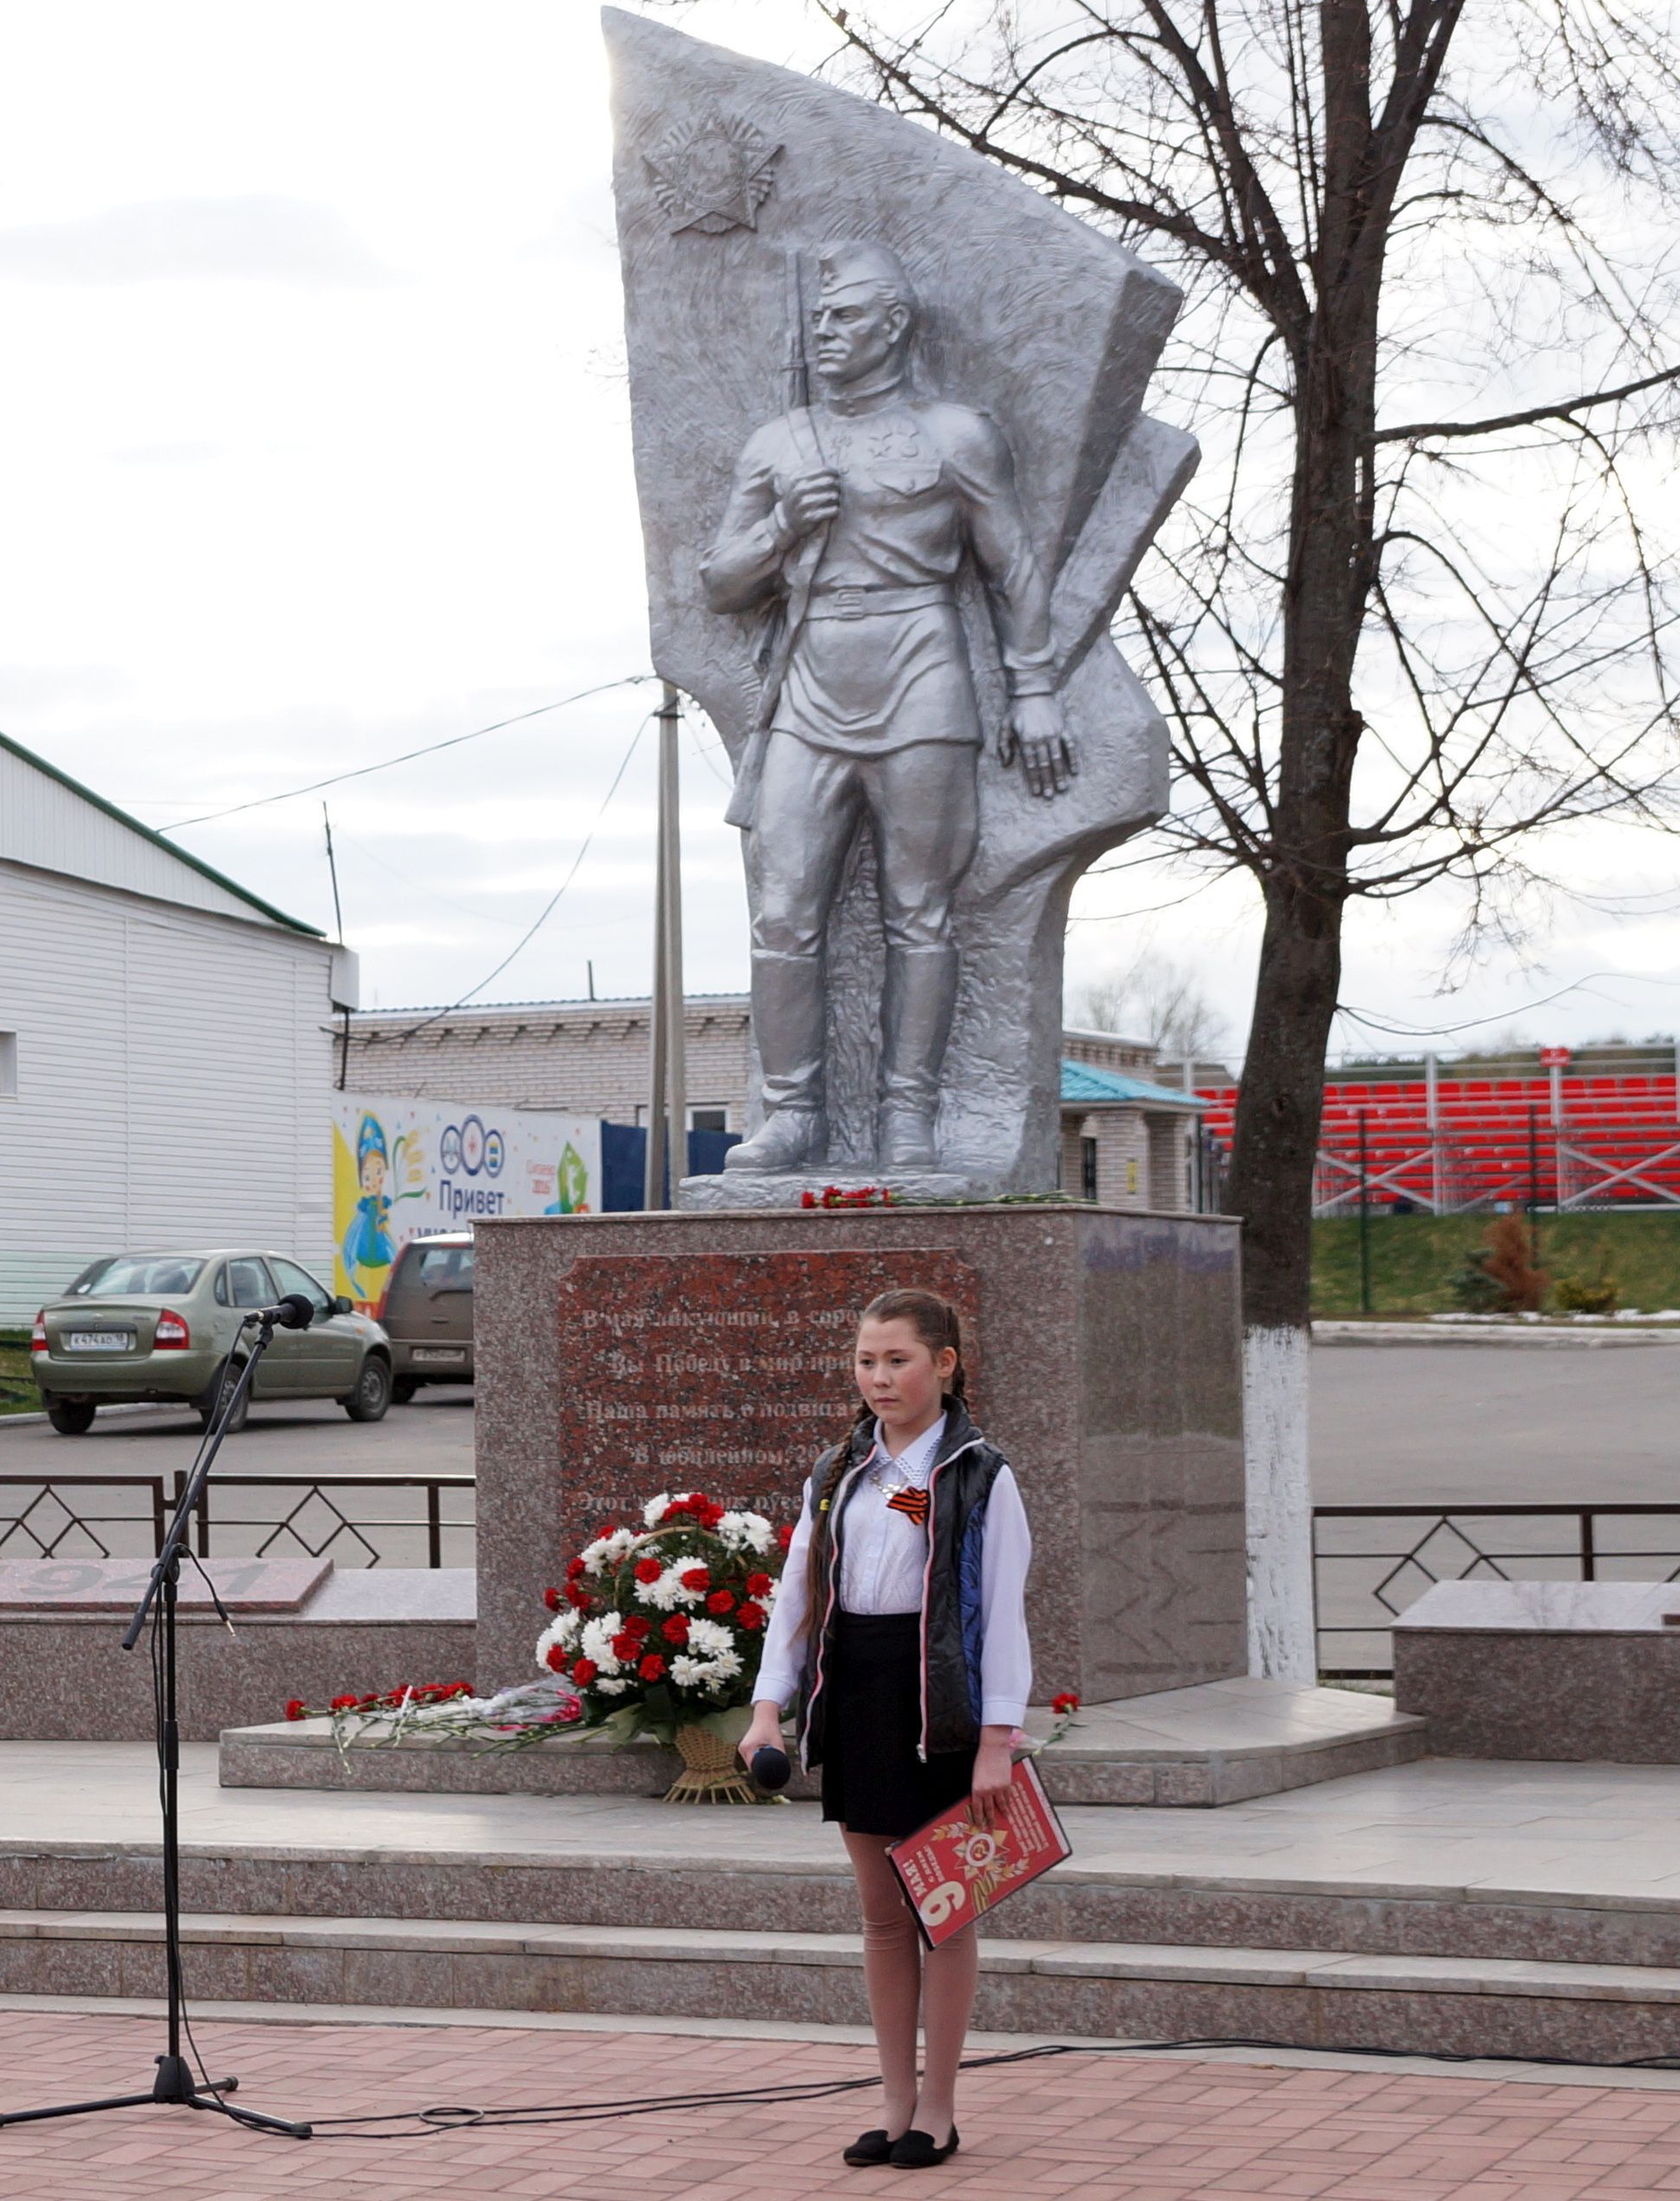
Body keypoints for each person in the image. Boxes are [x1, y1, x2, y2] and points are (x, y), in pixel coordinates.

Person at [699, 240, 1072, 1173]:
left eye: (844, 318)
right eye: (817, 319)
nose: (824, 333)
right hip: (812, 677)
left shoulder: (956, 434)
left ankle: (907, 1114)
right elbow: (718, 581)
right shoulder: (779, 442)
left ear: (893, 324)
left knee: (919, 910)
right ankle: (791, 1115)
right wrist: (784, 527)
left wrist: (1031, 688)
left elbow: (1012, 567)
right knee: (782, 912)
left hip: (921, 673)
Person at [740, 1287, 1031, 2171]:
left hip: (937, 1704)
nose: (878, 1377)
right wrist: (767, 1708)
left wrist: (995, 1740)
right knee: (879, 1917)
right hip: (859, 1689)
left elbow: (1002, 1618)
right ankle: (892, 2104)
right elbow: (798, 1593)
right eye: (865, 1360)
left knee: (941, 1912)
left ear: (943, 1365)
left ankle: (937, 2112)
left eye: (897, 1359)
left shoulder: (981, 1474)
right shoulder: (839, 1471)